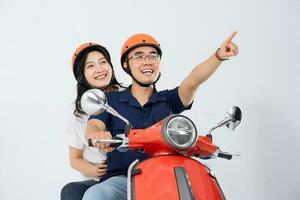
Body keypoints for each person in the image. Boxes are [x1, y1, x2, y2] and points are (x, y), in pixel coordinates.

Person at [82, 32, 239, 200]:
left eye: (153, 56)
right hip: (124, 181)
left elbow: (193, 81)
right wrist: (98, 135)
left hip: (166, 177)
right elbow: (94, 125)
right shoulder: (111, 100)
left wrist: (218, 56)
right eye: (139, 56)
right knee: (96, 194)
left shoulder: (169, 100)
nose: (147, 61)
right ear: (126, 65)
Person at [60, 42, 123, 200]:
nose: (100, 69)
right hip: (97, 180)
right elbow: (75, 158)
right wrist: (95, 170)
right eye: (90, 66)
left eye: (103, 62)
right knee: (71, 191)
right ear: (81, 75)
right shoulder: (77, 113)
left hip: (127, 173)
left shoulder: (128, 97)